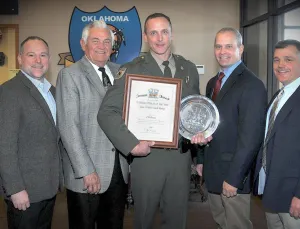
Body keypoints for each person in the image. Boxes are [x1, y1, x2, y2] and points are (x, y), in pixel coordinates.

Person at [97, 13, 210, 229]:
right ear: (146, 37)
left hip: (180, 158)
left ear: (172, 34)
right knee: (144, 221)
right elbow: (107, 112)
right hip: (147, 158)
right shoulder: (132, 69)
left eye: (164, 32)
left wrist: (200, 131)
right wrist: (131, 144)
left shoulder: (189, 69)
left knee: (177, 221)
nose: (160, 38)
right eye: (153, 33)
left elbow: (193, 111)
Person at [56, 20, 128, 229]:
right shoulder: (70, 76)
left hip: (118, 170)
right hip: (86, 173)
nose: (102, 46)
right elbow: (69, 127)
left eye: (107, 41)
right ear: (83, 44)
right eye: (95, 40)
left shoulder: (121, 72)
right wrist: (86, 170)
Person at [196, 27, 267, 229]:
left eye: (229, 46)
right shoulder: (212, 83)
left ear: (240, 48)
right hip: (213, 170)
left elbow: (251, 138)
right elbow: (206, 124)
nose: (222, 51)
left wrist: (234, 178)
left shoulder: (252, 85)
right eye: (218, 46)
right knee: (220, 223)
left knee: (237, 225)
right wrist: (201, 160)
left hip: (233, 176)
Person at [254, 39, 300, 229]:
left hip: (297, 198)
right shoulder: (278, 96)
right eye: (276, 60)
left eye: (288, 59)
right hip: (273, 193)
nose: (281, 65)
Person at [0, 36, 63, 229]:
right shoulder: (10, 92)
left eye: (43, 55)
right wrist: (15, 188)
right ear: (20, 58)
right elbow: (5, 145)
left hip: (48, 187)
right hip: (24, 191)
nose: (38, 60)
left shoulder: (52, 91)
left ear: (49, 59)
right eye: (31, 55)